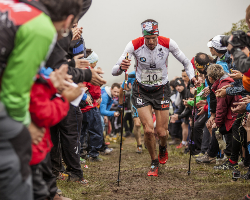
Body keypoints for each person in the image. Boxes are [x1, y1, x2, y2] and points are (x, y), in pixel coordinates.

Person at [112, 19, 196, 176]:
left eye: (153, 38)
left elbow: (186, 62)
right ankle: (153, 162)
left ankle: (163, 148)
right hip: (141, 90)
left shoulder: (168, 43)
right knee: (149, 130)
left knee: (162, 132)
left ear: (158, 34)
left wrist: (191, 77)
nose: (150, 42)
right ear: (143, 36)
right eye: (147, 38)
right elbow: (114, 70)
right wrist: (121, 67)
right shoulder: (134, 45)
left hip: (161, 89)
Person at [119, 70, 143, 153]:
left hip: (147, 101)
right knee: (137, 123)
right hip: (134, 101)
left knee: (147, 125)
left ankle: (148, 141)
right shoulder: (130, 75)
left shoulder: (148, 72)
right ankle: (139, 145)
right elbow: (122, 88)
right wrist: (120, 103)